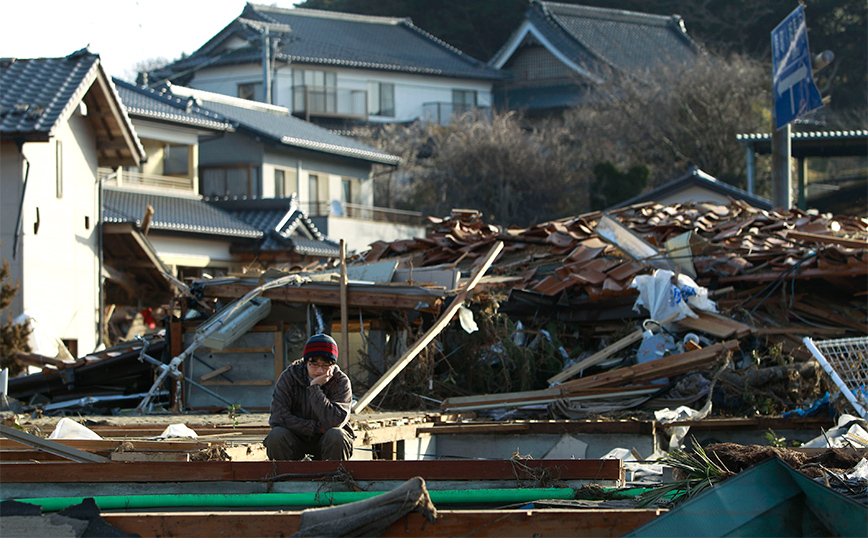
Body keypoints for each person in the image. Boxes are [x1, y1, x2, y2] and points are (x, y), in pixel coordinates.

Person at [264, 334, 354, 460]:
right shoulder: (289, 376)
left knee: (337, 435)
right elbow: (277, 417)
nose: (319, 370)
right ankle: (284, 478)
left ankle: (334, 477)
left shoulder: (341, 381)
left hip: (327, 440)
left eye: (325, 365)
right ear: (306, 362)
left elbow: (336, 421)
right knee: (276, 435)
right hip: (296, 438)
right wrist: (315, 428)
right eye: (314, 364)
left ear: (333, 365)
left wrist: (315, 389)